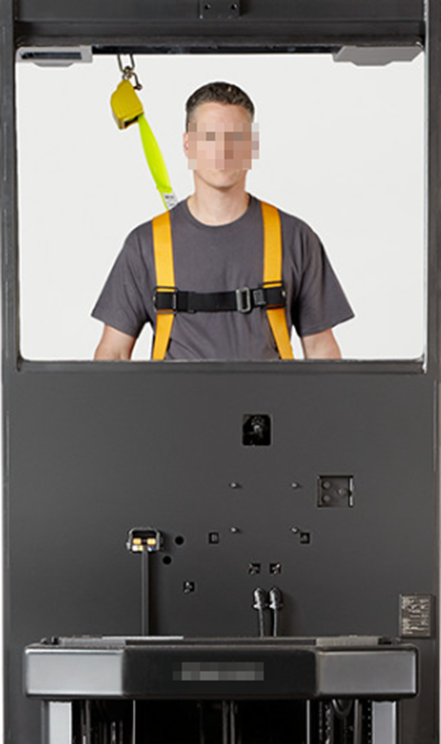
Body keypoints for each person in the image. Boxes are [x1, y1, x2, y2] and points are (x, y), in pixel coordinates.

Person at [92, 81, 354, 361]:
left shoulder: (293, 238)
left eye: (236, 138)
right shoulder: (146, 244)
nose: (223, 151)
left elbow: (321, 350)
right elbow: (113, 353)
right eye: (210, 137)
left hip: (269, 392)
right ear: (188, 145)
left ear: (251, 146)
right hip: (173, 392)